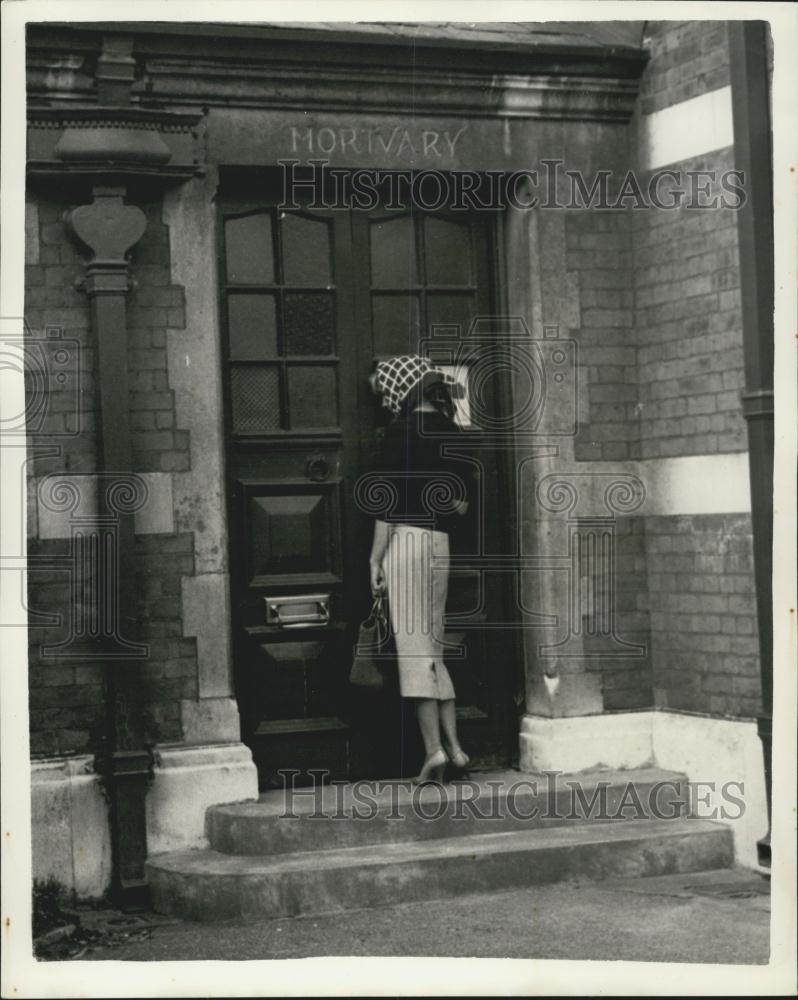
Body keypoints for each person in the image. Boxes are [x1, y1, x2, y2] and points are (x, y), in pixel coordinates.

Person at [366, 354, 473, 784]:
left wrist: (375, 559)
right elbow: (462, 505)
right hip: (439, 544)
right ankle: (457, 748)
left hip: (405, 543)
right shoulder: (454, 433)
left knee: (413, 649)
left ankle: (432, 753)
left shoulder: (397, 433)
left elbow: (386, 507)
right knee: (433, 646)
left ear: (401, 388)